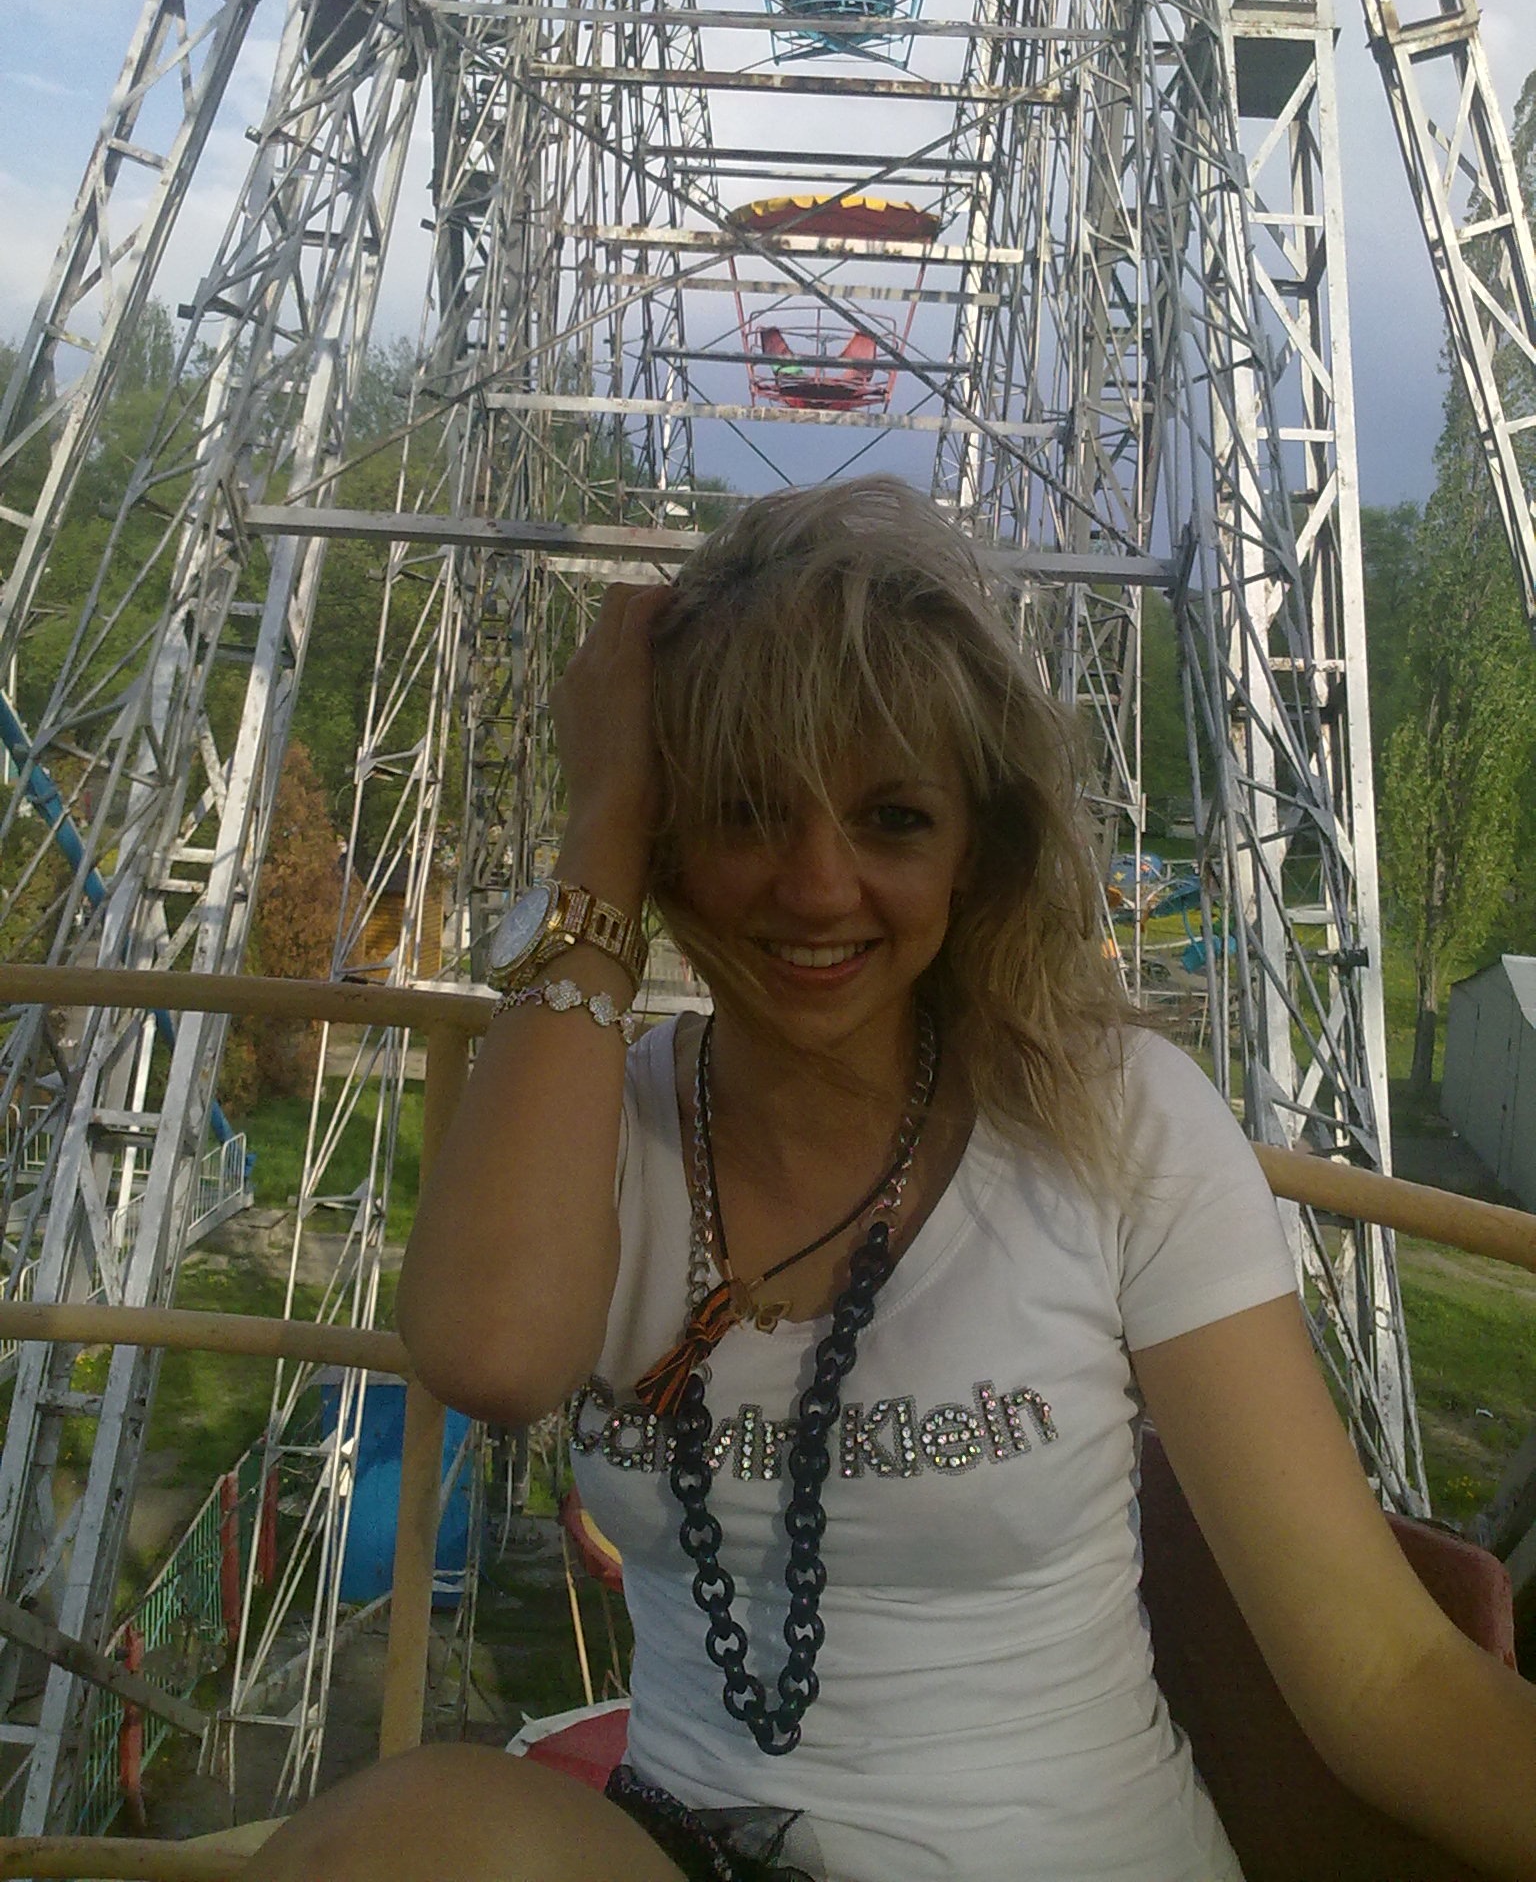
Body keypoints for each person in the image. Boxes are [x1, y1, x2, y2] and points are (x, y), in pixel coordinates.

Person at [247, 478, 1536, 1882]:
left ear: (978, 849)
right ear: (669, 844)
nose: (818, 886)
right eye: (748, 811)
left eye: (894, 819)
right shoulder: (590, 1124)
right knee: (395, 1838)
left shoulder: (1117, 1125)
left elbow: (1388, 1680)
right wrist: (602, 817)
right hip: (695, 1842)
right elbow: (491, 1354)